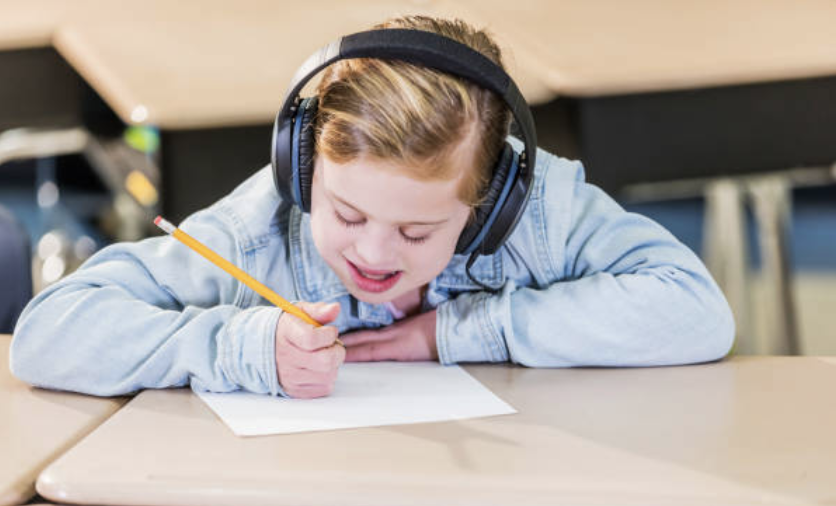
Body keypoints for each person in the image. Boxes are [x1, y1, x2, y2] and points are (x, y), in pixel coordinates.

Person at [10, 16, 734, 399]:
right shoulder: (258, 232)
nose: (376, 255)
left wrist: (452, 332)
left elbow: (696, 311)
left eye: (419, 230)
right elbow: (50, 335)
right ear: (302, 170)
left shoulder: (536, 213)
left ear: (490, 206)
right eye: (348, 216)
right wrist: (241, 347)